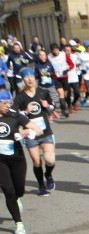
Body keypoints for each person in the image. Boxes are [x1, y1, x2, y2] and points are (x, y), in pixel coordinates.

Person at [0, 89, 43, 234]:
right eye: (4, 103)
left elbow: (38, 130)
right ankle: (18, 223)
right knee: (8, 191)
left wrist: (27, 133)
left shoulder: (15, 115)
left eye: (9, 102)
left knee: (19, 190)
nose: (8, 106)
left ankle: (18, 197)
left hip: (17, 159)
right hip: (1, 161)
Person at [13, 67, 57, 196]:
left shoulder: (43, 92)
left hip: (45, 132)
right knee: (36, 161)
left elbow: (52, 107)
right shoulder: (20, 97)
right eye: (26, 77)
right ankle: (41, 186)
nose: (29, 79)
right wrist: (25, 111)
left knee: (50, 159)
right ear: (23, 80)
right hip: (31, 134)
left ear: (35, 78)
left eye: (31, 76)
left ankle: (48, 175)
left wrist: (47, 106)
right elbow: (14, 114)